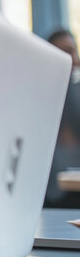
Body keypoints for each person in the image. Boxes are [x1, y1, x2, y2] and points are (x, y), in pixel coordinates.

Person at [46, 29, 80, 207]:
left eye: (73, 51)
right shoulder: (42, 96)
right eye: (65, 53)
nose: (73, 59)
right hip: (55, 191)